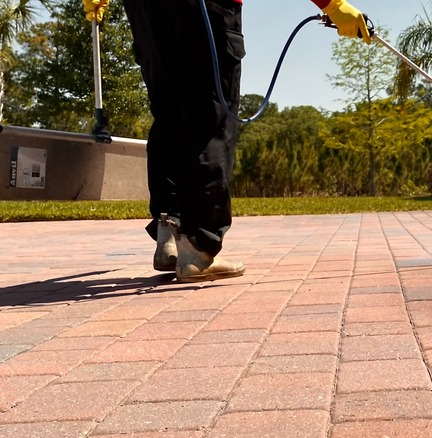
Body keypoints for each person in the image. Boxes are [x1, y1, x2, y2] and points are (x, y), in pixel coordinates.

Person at [82, 0, 370, 282]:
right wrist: (332, 4)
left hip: (146, 9)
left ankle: (169, 232)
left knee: (169, 115)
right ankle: (198, 248)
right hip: (205, 8)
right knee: (209, 120)